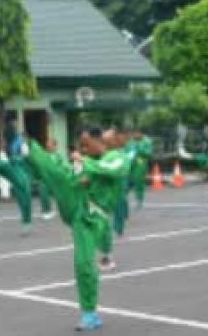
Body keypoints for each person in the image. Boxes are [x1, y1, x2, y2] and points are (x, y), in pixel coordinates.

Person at [23, 127, 125, 331]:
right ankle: (30, 150)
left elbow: (110, 169)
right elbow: (76, 177)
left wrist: (83, 162)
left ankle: (90, 314)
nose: (83, 149)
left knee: (84, 263)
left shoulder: (116, 157)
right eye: (81, 146)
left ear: (100, 142)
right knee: (58, 175)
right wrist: (78, 169)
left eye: (87, 144)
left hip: (94, 217)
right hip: (78, 209)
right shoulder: (83, 162)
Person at [37, 138, 66, 221]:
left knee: (61, 196)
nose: (48, 145)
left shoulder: (58, 157)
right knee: (43, 193)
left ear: (55, 146)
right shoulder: (44, 155)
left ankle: (65, 210)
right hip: (45, 180)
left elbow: (62, 167)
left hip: (55, 180)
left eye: (50, 144)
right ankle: (46, 211)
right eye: (47, 144)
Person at [129, 129, 153, 210]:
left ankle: (139, 200)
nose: (135, 135)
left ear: (141, 133)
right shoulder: (131, 141)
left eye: (136, 134)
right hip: (130, 163)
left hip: (140, 164)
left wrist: (139, 149)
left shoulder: (147, 141)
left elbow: (149, 153)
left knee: (138, 182)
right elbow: (127, 150)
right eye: (134, 134)